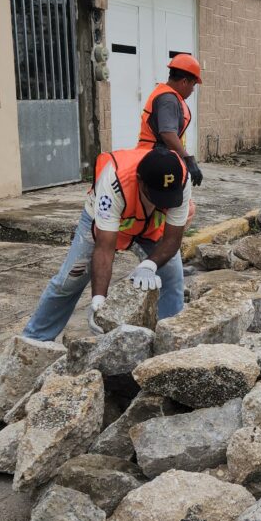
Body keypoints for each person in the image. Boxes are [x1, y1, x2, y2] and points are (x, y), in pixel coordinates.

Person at [22, 54, 204, 341]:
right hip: (108, 222)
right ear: (141, 183)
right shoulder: (114, 180)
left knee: (172, 277)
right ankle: (34, 341)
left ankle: (171, 343)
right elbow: (105, 247)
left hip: (148, 227)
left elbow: (172, 238)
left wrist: (150, 264)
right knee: (68, 282)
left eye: (165, 199)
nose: (161, 202)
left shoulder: (180, 181)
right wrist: (99, 301)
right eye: (155, 196)